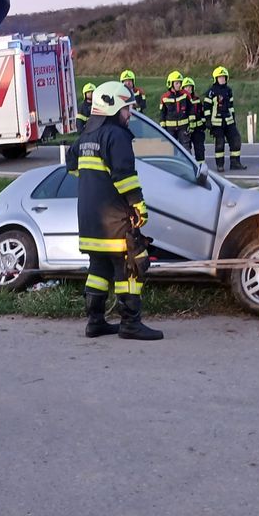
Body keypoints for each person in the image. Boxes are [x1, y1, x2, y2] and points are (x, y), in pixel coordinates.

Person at [67, 81, 164, 341]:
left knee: (98, 269)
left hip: (90, 221)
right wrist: (138, 206)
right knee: (130, 268)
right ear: (111, 108)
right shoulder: (116, 136)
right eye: (126, 108)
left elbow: (72, 167)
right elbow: (124, 177)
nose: (129, 114)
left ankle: (95, 322)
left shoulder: (85, 137)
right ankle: (131, 323)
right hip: (114, 220)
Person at [205, 65, 244, 171]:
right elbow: (207, 108)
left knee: (236, 140)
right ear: (215, 79)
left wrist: (233, 119)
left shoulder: (228, 91)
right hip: (216, 123)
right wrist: (208, 121)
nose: (222, 79)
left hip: (228, 121)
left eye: (224, 77)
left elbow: (231, 106)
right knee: (220, 144)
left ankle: (235, 163)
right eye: (220, 77)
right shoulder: (211, 92)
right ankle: (220, 165)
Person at [159, 70, 190, 148]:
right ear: (171, 84)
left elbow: (191, 109)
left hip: (183, 127)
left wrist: (191, 123)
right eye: (176, 83)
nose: (179, 85)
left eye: (180, 83)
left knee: (185, 148)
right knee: (170, 149)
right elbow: (162, 113)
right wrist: (163, 127)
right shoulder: (164, 97)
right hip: (170, 129)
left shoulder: (185, 95)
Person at [182, 77, 204, 158]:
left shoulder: (197, 100)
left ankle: (201, 166)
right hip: (186, 129)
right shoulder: (181, 100)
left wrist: (203, 124)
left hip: (198, 129)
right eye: (186, 87)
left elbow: (202, 113)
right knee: (187, 149)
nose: (189, 89)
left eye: (190, 87)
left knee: (200, 149)